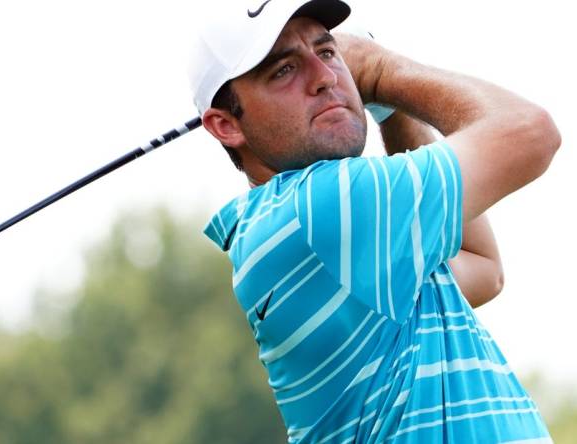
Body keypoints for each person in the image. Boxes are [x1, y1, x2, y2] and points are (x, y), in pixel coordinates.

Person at [188, 0, 561, 442]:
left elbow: (481, 268)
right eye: (284, 70)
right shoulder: (322, 205)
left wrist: (390, 110)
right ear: (226, 125)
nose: (327, 78)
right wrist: (383, 73)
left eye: (327, 52)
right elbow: (531, 131)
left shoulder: (349, 243)